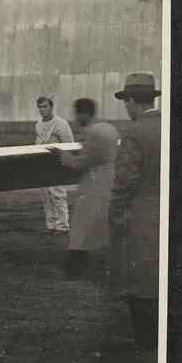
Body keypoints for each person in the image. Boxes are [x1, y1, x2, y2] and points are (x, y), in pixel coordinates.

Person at [108, 73, 163, 351]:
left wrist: (116, 217)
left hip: (142, 216)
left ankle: (147, 342)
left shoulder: (135, 133)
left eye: (125, 102)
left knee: (141, 280)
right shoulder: (171, 128)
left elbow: (124, 183)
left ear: (132, 101)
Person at [49, 98, 120, 284]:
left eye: (77, 114)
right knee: (98, 228)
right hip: (109, 182)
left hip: (93, 186)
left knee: (81, 229)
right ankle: (96, 267)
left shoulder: (93, 132)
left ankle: (73, 271)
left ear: (84, 114)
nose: (75, 119)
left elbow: (83, 162)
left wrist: (63, 156)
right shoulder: (109, 129)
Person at [35, 95, 75, 232]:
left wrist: (64, 161)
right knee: (46, 195)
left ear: (51, 107)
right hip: (43, 162)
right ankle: (51, 225)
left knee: (57, 194)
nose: (42, 110)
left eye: (45, 106)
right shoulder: (39, 124)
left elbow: (69, 143)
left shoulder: (61, 123)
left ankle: (62, 226)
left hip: (56, 162)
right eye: (39, 107)